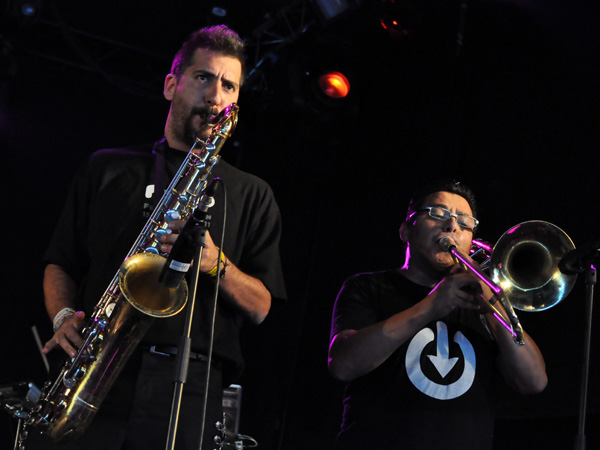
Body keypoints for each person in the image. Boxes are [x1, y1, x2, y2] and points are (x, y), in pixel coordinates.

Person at [29, 24, 286, 450]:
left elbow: (261, 307)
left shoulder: (253, 193)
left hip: (190, 387)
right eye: (204, 77)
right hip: (97, 367)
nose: (216, 95)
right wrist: (62, 316)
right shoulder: (106, 167)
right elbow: (61, 260)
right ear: (171, 85)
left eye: (229, 85)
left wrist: (214, 263)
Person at [328, 179, 547, 450]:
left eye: (465, 222)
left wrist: (493, 302)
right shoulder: (367, 287)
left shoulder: (484, 302)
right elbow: (343, 364)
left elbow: (534, 382)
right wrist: (432, 305)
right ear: (406, 230)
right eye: (437, 214)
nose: (452, 226)